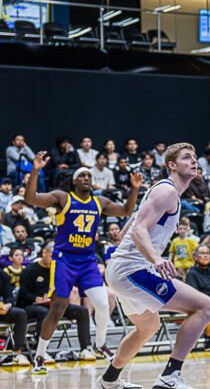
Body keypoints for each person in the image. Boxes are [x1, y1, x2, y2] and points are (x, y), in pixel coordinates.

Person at [96, 143, 210, 389]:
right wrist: (155, 258)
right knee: (205, 307)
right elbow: (138, 229)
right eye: (186, 158)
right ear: (172, 165)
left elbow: (132, 223)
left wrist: (126, 253)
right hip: (133, 271)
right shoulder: (167, 191)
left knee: (147, 326)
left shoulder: (165, 193)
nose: (194, 161)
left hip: (125, 269)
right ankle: (170, 376)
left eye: (195, 157)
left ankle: (108, 380)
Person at [25, 155, 142, 373]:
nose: (87, 178)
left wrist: (134, 188)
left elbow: (126, 211)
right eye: (82, 175)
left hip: (87, 260)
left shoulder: (100, 202)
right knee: (58, 308)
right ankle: (39, 356)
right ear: (75, 181)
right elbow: (31, 198)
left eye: (89, 175)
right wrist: (35, 171)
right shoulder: (62, 198)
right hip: (64, 259)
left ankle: (100, 346)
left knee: (103, 302)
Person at [0, 265, 30, 365]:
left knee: (20, 314)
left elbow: (8, 296)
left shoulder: (3, 275)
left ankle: (18, 354)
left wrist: (7, 306)